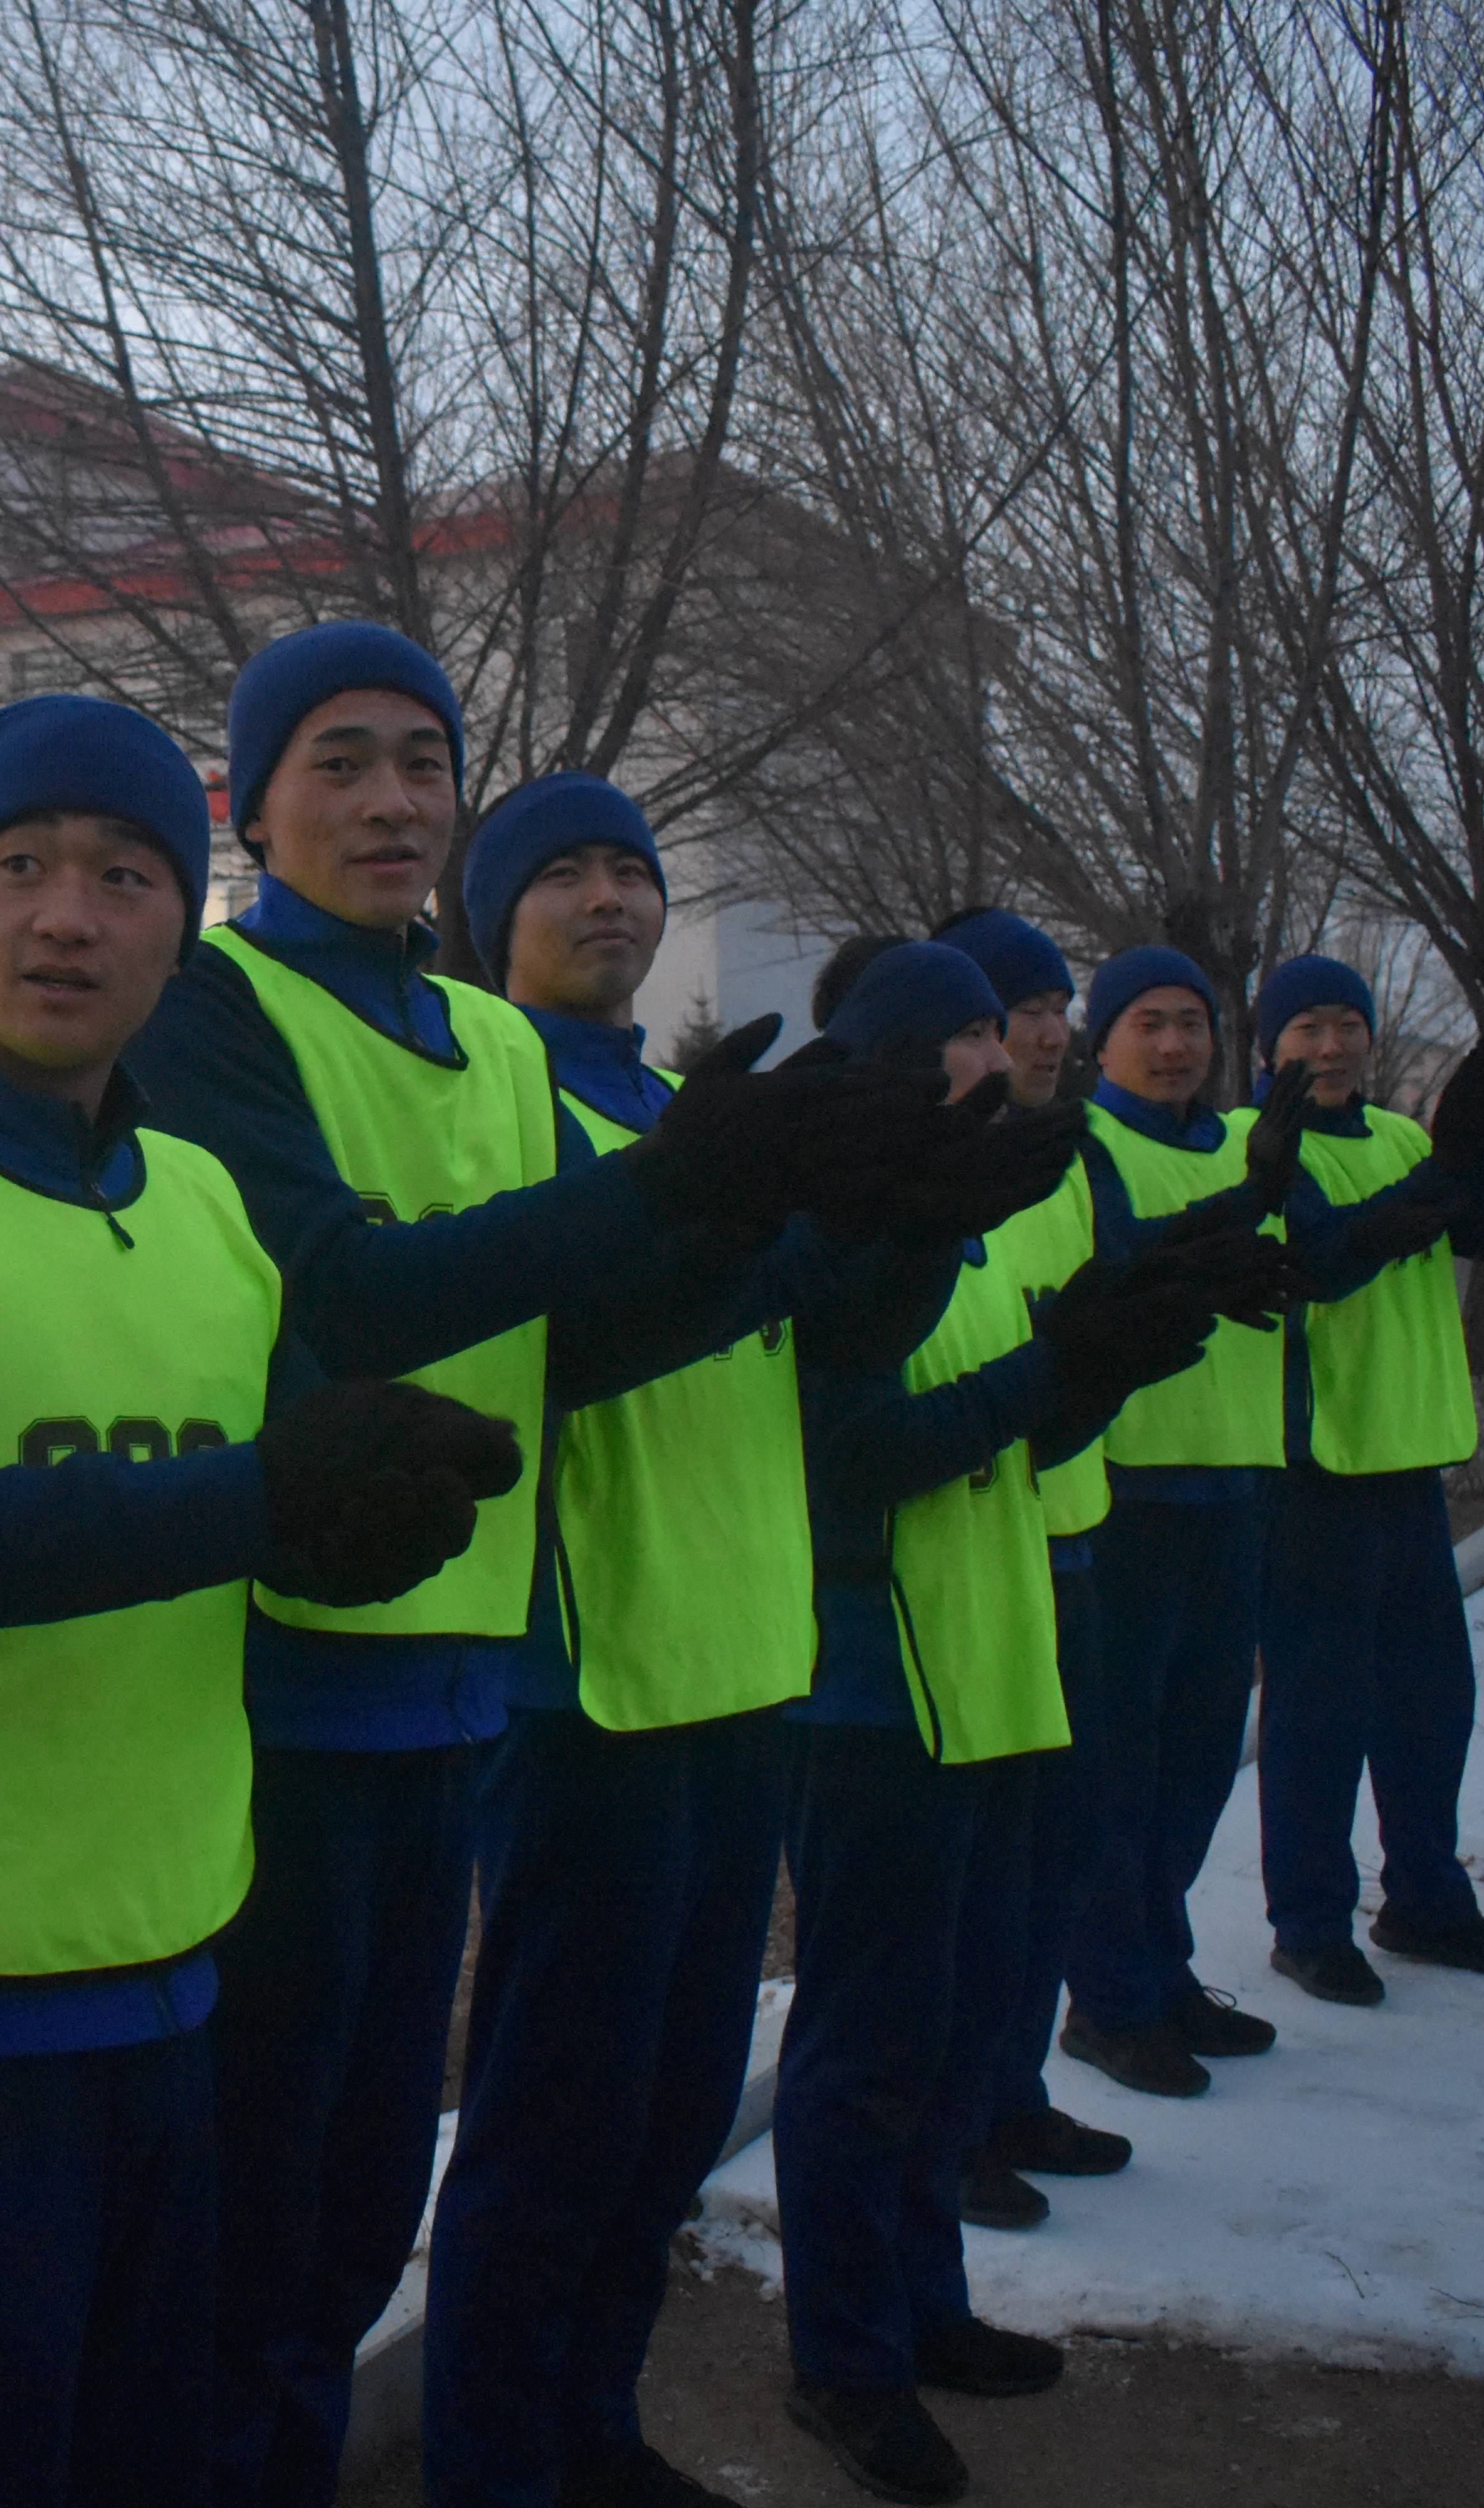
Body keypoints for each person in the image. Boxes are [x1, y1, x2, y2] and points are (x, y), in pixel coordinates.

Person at [117, 625, 999, 2507]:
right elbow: (346, 1297)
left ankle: (559, 2445)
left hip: (454, 1672)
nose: (385, 800)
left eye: (420, 762)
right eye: (337, 762)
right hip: (303, 1685)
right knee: (272, 2223)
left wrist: (848, 1226)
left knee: (371, 2212)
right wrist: (682, 1197)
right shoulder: (218, 1007)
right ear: (256, 802)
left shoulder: (495, 1043)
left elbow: (575, 1344)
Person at [0, 693, 515, 2502]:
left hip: (181, 1996)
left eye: (125, 875)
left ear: (184, 922)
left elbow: (286, 1500)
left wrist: (358, 1517)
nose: (68, 916)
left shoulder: (216, 1213)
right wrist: (257, 1502)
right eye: (20, 868)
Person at [422, 779, 952, 2508]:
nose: (606, 900)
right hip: (588, 1680)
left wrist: (915, 1215)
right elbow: (546, 1331)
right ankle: (496, 2464)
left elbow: (826, 1346)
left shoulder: (676, 1100)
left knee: (659, 2124)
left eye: (630, 872)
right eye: (560, 874)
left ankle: (594, 2427)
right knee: (551, 2125)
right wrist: (717, 1216)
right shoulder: (497, 1108)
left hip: (742, 1664)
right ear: (489, 918)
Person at [767, 942, 1226, 2507]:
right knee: (865, 2046)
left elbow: (1012, 1450)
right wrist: (1055, 1364)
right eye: (960, 1034)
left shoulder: (959, 1241)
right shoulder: (832, 1238)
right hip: (870, 1688)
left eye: (994, 1025)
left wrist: (1105, 1353)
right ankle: (843, 2353)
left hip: (986, 1673)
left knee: (958, 2030)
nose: (999, 1051)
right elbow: (853, 1458)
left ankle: (924, 2304)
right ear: (893, 1071)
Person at [1248, 958, 1484, 2003]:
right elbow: (1321, 1261)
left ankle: (1426, 1898)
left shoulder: (1408, 1138)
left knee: (1430, 1704)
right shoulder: (1265, 1152)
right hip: (1314, 1469)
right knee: (1317, 1714)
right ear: (1271, 1044)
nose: (1331, 1048)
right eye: (1307, 1029)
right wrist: (1433, 1186)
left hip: (1408, 1465)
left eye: (1347, 1026)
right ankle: (1310, 1922)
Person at [1056, 945, 1312, 2102]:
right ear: (1099, 1040)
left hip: (1236, 1489)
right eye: (1147, 1024)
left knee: (1201, 1761)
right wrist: (1244, 1208)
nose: (1173, 1046)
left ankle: (1163, 1971)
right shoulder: (1086, 1151)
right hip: (1131, 1498)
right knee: (1120, 1767)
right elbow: (1111, 1281)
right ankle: (1107, 1999)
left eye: (1192, 1024)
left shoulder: (1249, 1146)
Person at [927, 909, 1127, 2233]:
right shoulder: (935, 1170)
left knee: (1051, 1850)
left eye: (1056, 1003)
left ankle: (1011, 2083)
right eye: (1012, 1011)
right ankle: (948, 2118)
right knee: (965, 1875)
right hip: (974, 1553)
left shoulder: (1083, 1159)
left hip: (1072, 1528)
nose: (1046, 1031)